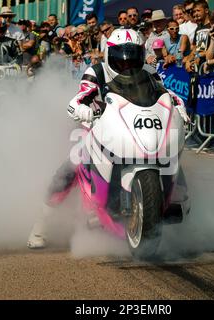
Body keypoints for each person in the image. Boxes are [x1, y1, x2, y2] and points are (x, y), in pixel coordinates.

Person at [27, 28, 189, 249]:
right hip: (97, 125)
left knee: (167, 152)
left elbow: (166, 95)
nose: (127, 64)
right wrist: (82, 109)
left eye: (133, 57)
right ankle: (40, 226)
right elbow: (81, 96)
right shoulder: (97, 71)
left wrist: (179, 109)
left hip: (133, 125)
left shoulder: (150, 72)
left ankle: (179, 200)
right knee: (72, 164)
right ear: (109, 56)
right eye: (121, 58)